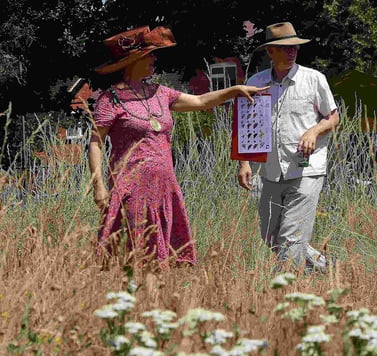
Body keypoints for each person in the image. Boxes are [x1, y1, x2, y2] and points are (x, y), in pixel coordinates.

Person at [88, 25, 267, 269]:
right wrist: (98, 185)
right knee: (132, 253)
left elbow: (201, 101)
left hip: (164, 186)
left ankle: (156, 298)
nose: (154, 58)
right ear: (133, 61)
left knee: (162, 259)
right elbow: (96, 142)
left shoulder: (161, 93)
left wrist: (234, 90)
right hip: (129, 187)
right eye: (149, 54)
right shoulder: (110, 99)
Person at [237, 21, 339, 272]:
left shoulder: (314, 79)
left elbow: (334, 117)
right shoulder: (256, 82)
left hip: (307, 169)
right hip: (271, 169)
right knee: (270, 235)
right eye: (285, 48)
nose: (292, 52)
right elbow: (246, 124)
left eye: (294, 47)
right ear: (270, 51)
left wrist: (314, 131)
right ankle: (329, 268)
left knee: (291, 237)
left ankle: (285, 291)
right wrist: (244, 162)